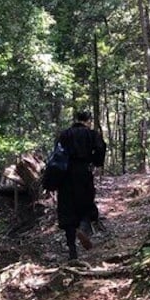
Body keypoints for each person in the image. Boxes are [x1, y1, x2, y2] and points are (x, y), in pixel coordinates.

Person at [56, 110, 107, 260]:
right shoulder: (91, 134)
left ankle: (72, 251)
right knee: (85, 203)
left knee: (67, 209)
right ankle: (84, 228)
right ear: (88, 120)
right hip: (83, 172)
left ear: (76, 119)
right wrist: (95, 161)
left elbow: (57, 154)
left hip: (64, 174)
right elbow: (100, 148)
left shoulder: (64, 134)